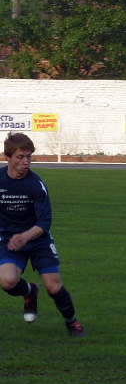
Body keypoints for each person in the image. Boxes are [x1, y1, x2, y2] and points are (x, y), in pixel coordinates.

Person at [0, 132, 87, 337]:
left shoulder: (35, 184)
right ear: (8, 157)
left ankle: (72, 322)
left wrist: (25, 236)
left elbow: (44, 223)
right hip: (9, 240)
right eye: (20, 157)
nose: (26, 162)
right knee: (8, 281)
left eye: (29, 156)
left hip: (37, 239)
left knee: (53, 287)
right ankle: (30, 292)